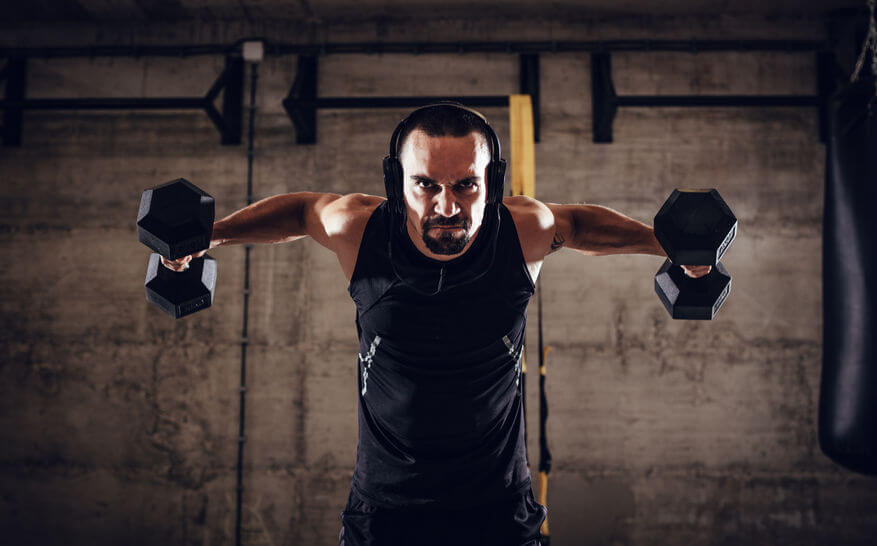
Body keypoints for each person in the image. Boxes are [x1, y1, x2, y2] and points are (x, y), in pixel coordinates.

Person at [162, 103, 710, 545]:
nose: (447, 206)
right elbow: (303, 212)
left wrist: (667, 242)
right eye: (426, 185)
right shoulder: (362, 231)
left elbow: (578, 224)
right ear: (396, 181)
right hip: (385, 511)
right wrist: (212, 235)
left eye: (466, 185)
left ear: (491, 182)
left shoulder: (521, 232)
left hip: (499, 510)